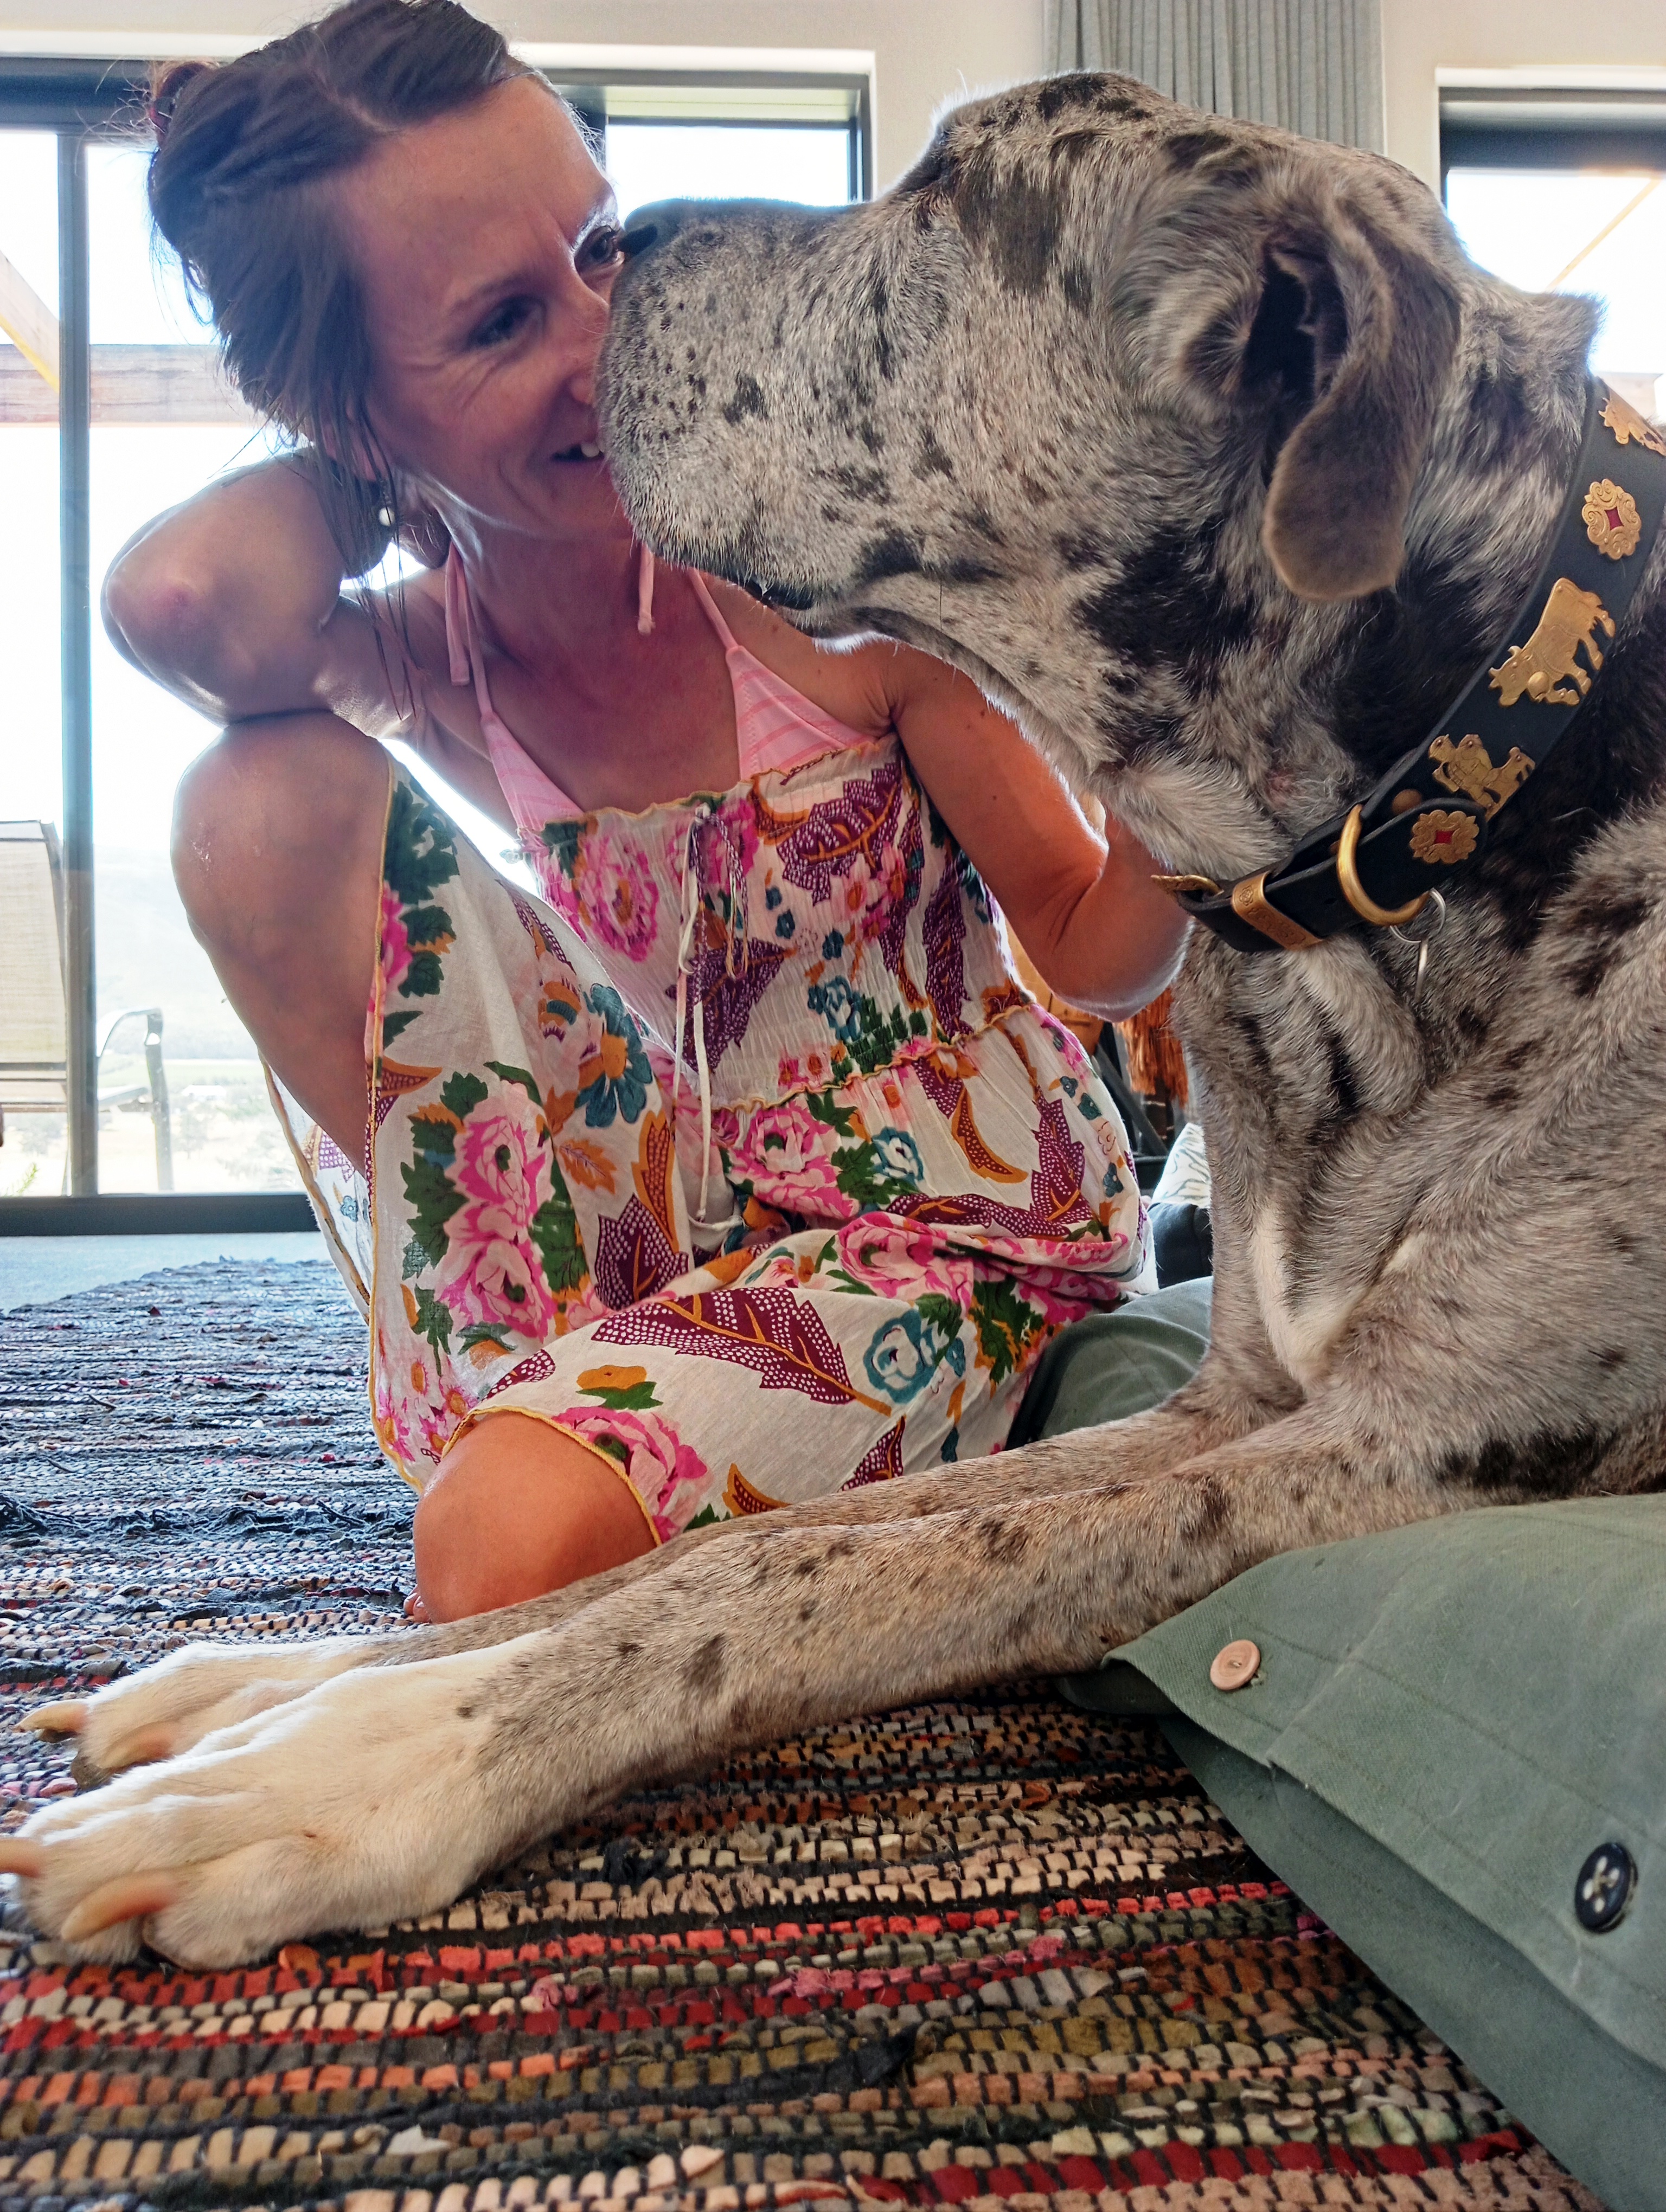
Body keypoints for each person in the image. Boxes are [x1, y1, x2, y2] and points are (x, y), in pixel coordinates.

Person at [106, 0, 1190, 1625]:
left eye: (603, 250)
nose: (606, 342)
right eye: (501, 322)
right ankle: (550, 1406)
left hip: (952, 1222)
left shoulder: (826, 581)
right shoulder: (436, 660)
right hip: (670, 1202)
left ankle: (568, 1462)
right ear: (349, 416)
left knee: (501, 1553)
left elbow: (1094, 951)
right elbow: (188, 605)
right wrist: (359, 467)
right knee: (251, 797)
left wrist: (1203, 768)